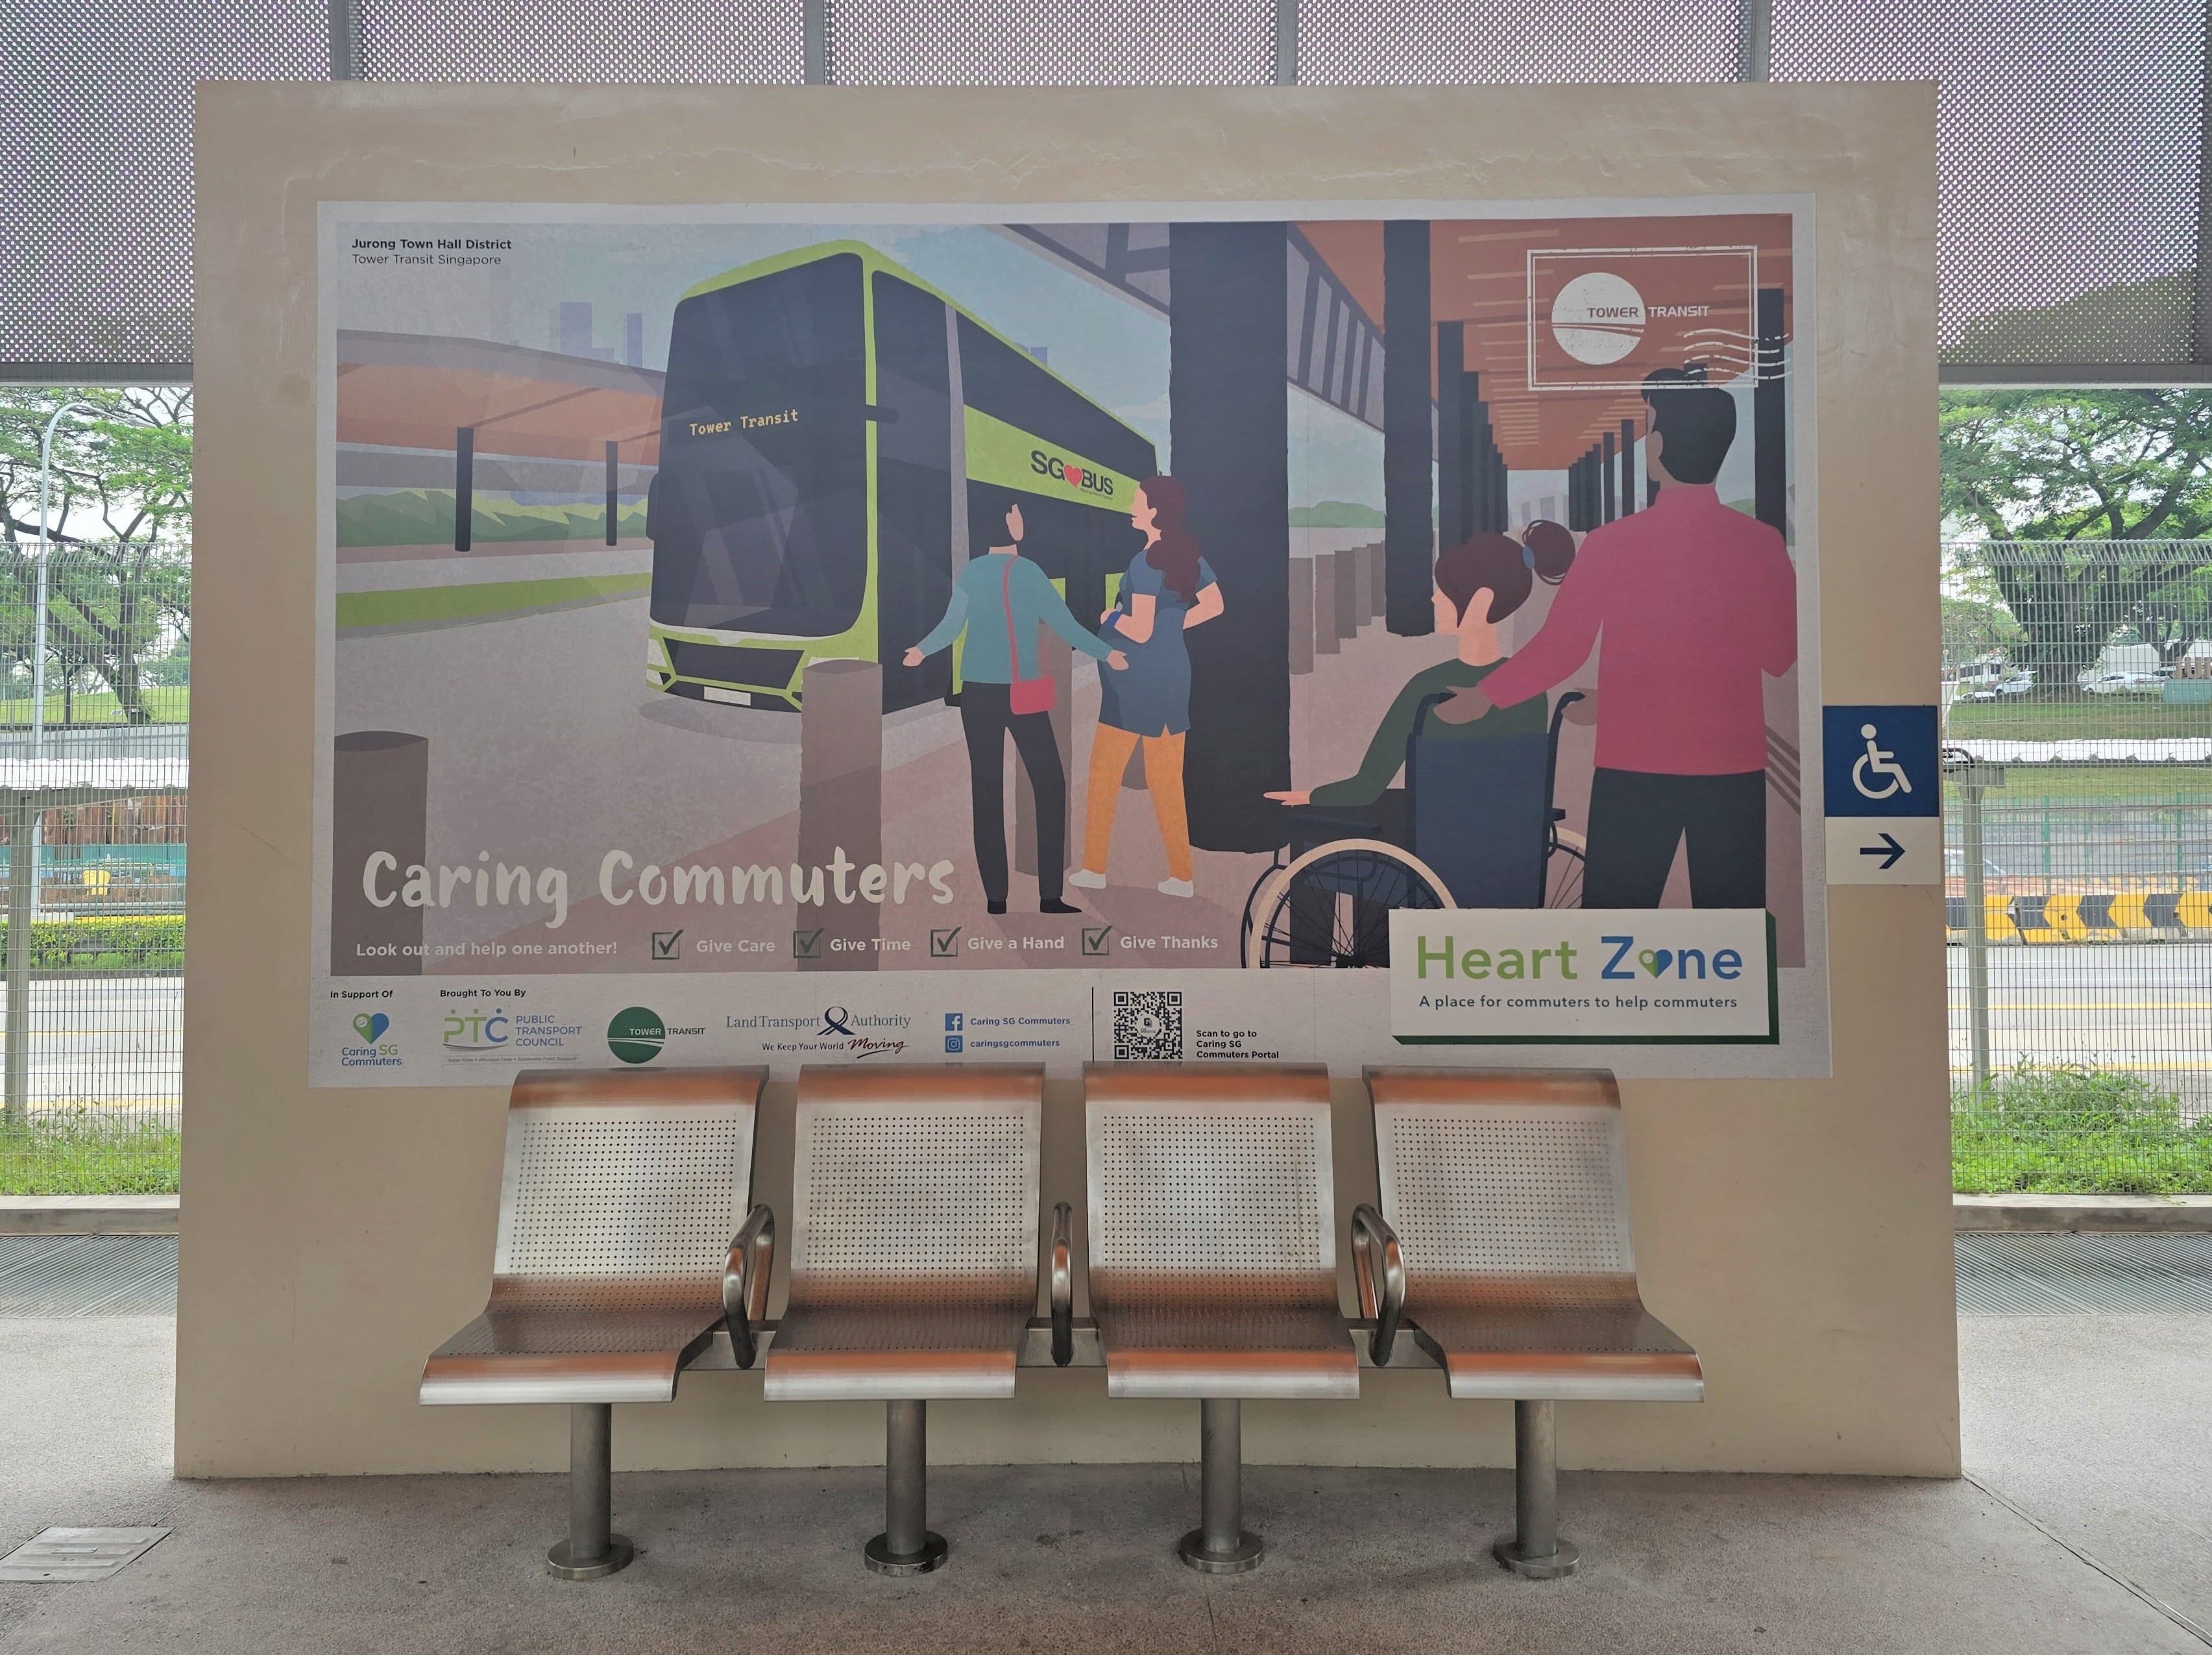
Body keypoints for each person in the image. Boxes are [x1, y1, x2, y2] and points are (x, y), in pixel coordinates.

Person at [1438, 367, 1797, 909]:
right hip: (1731, 770)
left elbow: (1561, 649)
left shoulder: (1611, 545)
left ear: (1655, 447)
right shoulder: (1761, 544)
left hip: (1633, 769)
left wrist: (1482, 697)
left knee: (1616, 928)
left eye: (1648, 426)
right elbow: (1778, 656)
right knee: (1734, 936)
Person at [1264, 525, 1574, 834]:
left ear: (1480, 601)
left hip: (1437, 834)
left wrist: (1311, 797)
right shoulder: (1531, 691)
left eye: (1445, 589)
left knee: (1320, 827)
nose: (1434, 597)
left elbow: (1367, 786)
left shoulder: (1428, 686)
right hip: (1509, 835)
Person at [905, 490, 1126, 916]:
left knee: (986, 790)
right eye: (1016, 513)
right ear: (1009, 524)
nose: (1021, 519)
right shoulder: (1030, 573)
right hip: (1021, 693)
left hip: (977, 694)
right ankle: (1049, 896)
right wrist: (1108, 653)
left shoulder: (971, 573)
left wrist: (920, 650)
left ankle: (996, 899)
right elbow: (1066, 625)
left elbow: (952, 628)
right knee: (1050, 785)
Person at [1069, 476, 1223, 899]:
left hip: (1133, 686)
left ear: (1155, 510)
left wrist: (1108, 616)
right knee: (1167, 782)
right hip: (1175, 676)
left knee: (1103, 777)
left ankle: (1094, 870)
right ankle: (1181, 877)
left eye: (1137, 501)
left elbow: (1137, 630)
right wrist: (1171, 628)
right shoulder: (1189, 555)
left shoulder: (1144, 563)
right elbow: (1214, 605)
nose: (1131, 507)